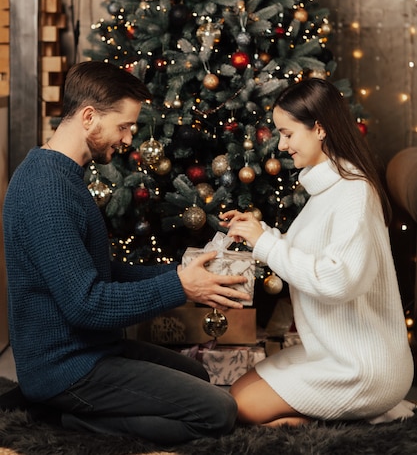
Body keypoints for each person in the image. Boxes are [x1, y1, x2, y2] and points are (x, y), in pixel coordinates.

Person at [2, 60, 250, 445]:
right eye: (124, 126)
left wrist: (181, 271)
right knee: (218, 413)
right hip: (66, 369)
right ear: (89, 118)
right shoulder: (46, 190)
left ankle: (80, 409)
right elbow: (87, 303)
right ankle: (68, 419)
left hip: (93, 350)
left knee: (198, 378)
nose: (129, 139)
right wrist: (181, 288)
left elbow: (100, 273)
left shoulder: (63, 177)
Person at [220, 77, 414, 427]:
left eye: (288, 133)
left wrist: (265, 244)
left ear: (320, 129)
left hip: (362, 366)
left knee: (241, 409)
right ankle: (344, 415)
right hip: (331, 353)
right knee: (236, 393)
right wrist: (259, 232)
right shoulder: (328, 191)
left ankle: (343, 421)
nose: (281, 145)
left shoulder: (354, 192)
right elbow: (309, 254)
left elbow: (337, 279)